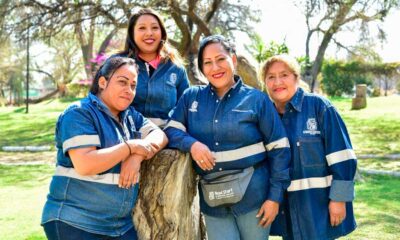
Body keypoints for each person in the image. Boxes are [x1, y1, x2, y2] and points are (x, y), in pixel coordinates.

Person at [164, 35, 291, 240]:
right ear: (202, 69)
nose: (215, 67)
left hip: (254, 199)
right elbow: (171, 130)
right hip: (213, 201)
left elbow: (280, 150)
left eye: (220, 59)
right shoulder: (190, 98)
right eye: (207, 63)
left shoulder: (257, 100)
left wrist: (274, 198)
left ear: (233, 60)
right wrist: (192, 145)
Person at [41, 57, 168, 240]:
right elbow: (86, 164)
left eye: (133, 85)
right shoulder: (79, 113)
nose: (129, 90)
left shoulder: (130, 116)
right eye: (122, 82)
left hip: (118, 227)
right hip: (75, 223)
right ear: (102, 82)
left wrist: (136, 157)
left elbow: (160, 135)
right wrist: (130, 147)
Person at [261, 54, 357, 240]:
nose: (277, 82)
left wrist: (339, 198)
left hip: (319, 207)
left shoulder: (320, 107)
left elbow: (343, 156)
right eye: (270, 77)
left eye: (284, 75)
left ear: (296, 78)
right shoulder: (265, 117)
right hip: (286, 210)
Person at [115, 8, 190, 127]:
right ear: (132, 33)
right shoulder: (116, 63)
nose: (149, 33)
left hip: (168, 135)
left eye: (155, 27)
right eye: (142, 28)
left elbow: (186, 108)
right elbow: (99, 101)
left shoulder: (176, 68)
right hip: (123, 132)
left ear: (162, 33)